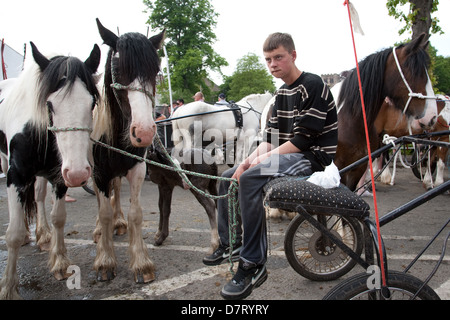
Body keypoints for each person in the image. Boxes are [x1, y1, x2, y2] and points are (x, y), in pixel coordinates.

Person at [202, 32, 338, 300]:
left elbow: (301, 141)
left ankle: (253, 263)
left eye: (278, 57)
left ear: (293, 55)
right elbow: (270, 140)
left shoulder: (313, 85)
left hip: (312, 157)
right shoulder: (281, 93)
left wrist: (257, 164)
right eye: (268, 60)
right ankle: (231, 243)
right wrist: (246, 162)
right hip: (288, 154)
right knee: (228, 176)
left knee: (251, 178)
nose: (272, 64)